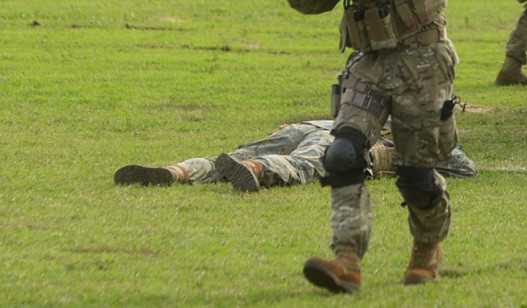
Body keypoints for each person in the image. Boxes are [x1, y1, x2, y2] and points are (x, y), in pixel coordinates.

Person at [265, 0, 459, 291]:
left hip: (421, 62)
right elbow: (308, 3)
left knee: (416, 176)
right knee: (343, 155)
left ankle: (427, 246)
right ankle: (347, 261)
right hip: (369, 61)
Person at [113, 120, 476, 192]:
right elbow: (463, 167)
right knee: (304, 166)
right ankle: (255, 170)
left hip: (310, 125)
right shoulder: (418, 129)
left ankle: (175, 172)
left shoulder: (367, 94)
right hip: (351, 142)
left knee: (234, 154)